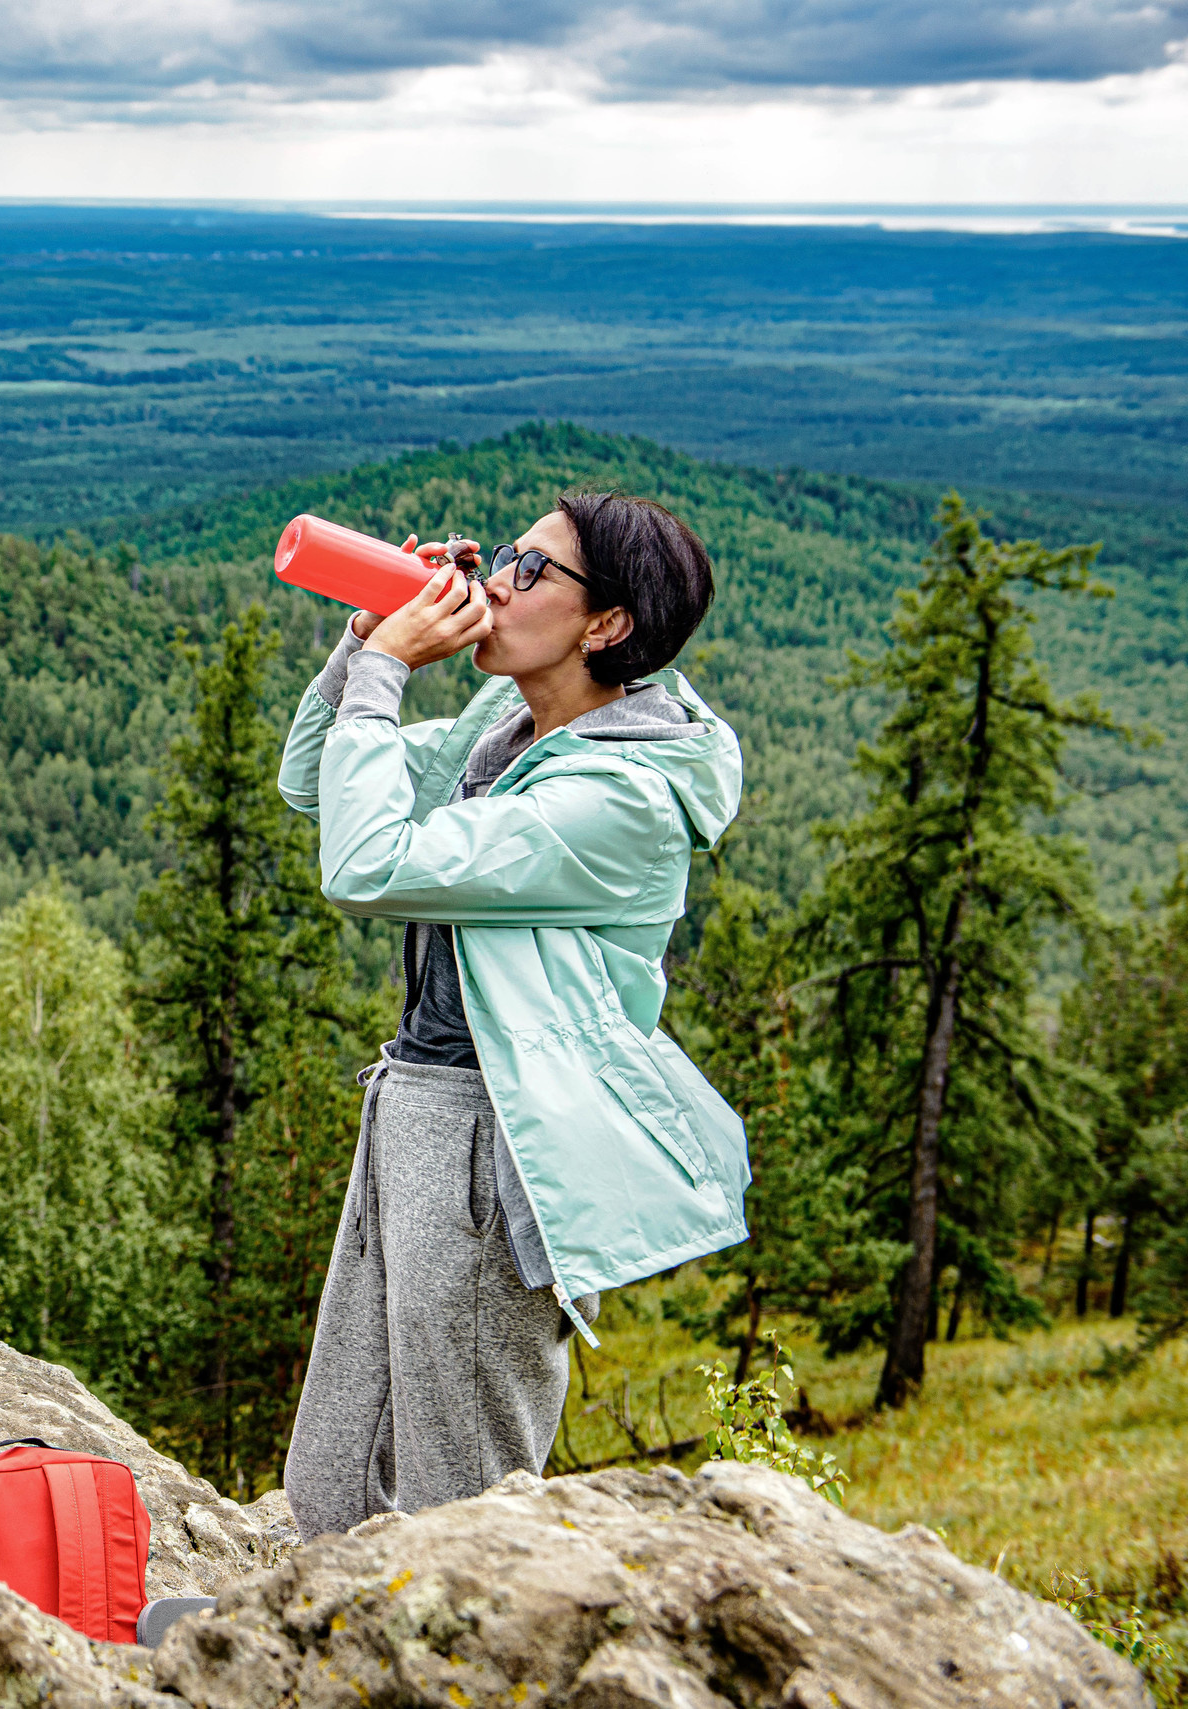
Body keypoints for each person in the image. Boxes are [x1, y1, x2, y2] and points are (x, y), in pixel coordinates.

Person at [275, 491, 750, 1541]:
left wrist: (390, 676)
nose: (492, 582)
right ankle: (298, 1641)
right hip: (414, 1096)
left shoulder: (618, 798)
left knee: (464, 1487)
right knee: (337, 1449)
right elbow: (315, 783)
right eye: (501, 557)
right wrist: (361, 645)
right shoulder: (508, 733)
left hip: (500, 1138)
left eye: (531, 571)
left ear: (607, 624)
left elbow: (365, 865)